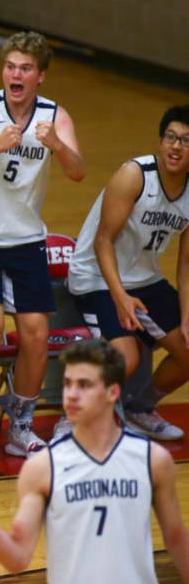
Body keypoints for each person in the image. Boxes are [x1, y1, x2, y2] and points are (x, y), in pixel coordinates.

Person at [0, 339, 189, 584]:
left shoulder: (152, 460)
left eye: (84, 385)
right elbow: (18, 558)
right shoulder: (42, 468)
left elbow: (176, 538)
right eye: (68, 384)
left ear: (112, 392)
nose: (71, 394)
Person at [0, 31, 86, 466]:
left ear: (40, 76)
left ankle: (20, 425)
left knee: (36, 335)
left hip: (25, 237)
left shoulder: (54, 116)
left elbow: (79, 172)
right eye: (10, 66)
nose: (15, 74)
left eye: (25, 68)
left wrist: (58, 146)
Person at [67, 105, 189, 441]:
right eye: (171, 137)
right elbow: (103, 240)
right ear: (161, 141)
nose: (176, 146)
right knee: (125, 356)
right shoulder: (135, 175)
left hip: (145, 279)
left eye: (186, 141)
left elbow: (186, 262)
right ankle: (76, 420)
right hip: (95, 277)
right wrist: (120, 297)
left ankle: (139, 410)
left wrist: (186, 313)